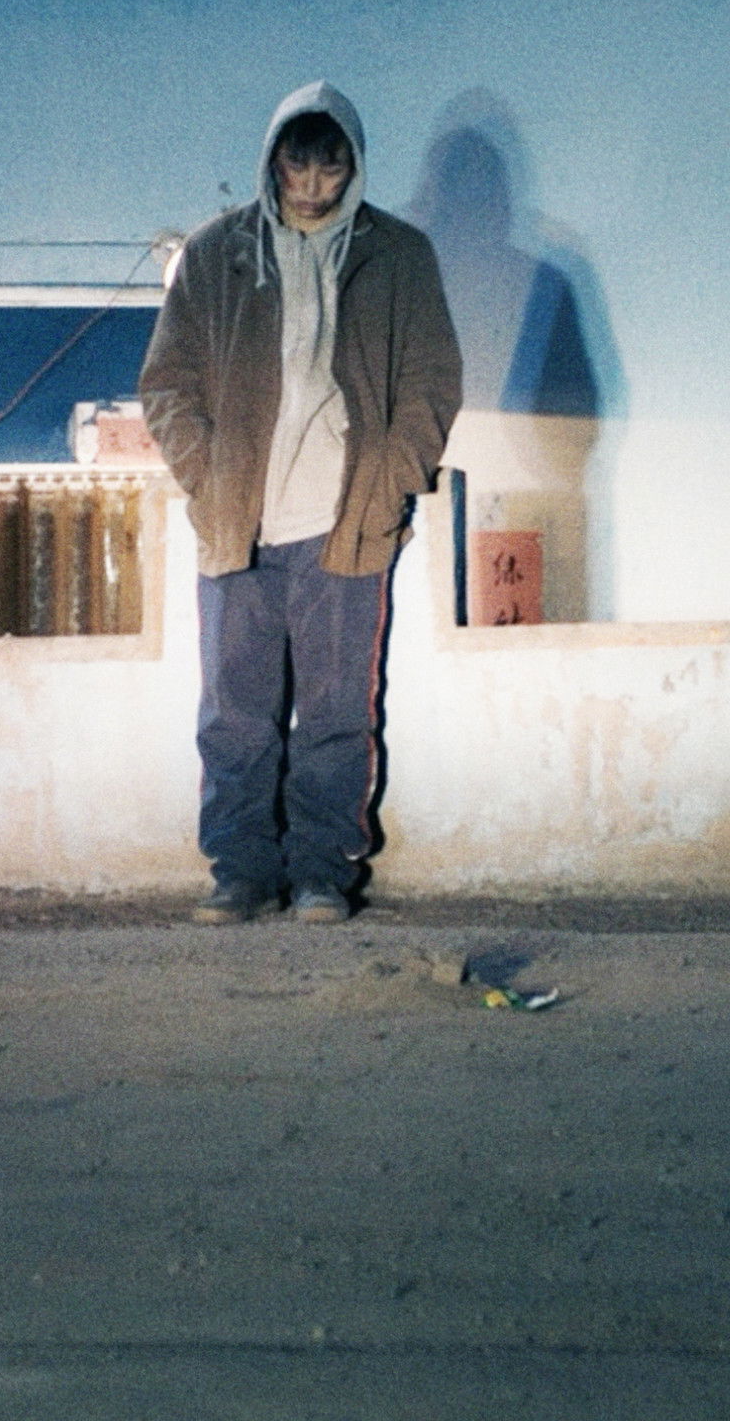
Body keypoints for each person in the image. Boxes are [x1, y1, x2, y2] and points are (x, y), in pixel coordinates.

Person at [138, 81, 463, 925]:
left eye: (330, 169)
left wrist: (389, 485)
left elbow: (431, 386)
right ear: (273, 159)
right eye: (297, 167)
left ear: (354, 166)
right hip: (236, 524)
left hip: (346, 525)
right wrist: (208, 478)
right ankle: (240, 874)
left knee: (336, 713)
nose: (312, 187)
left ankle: (323, 873)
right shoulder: (216, 252)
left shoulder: (400, 255)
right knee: (233, 716)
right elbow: (166, 385)